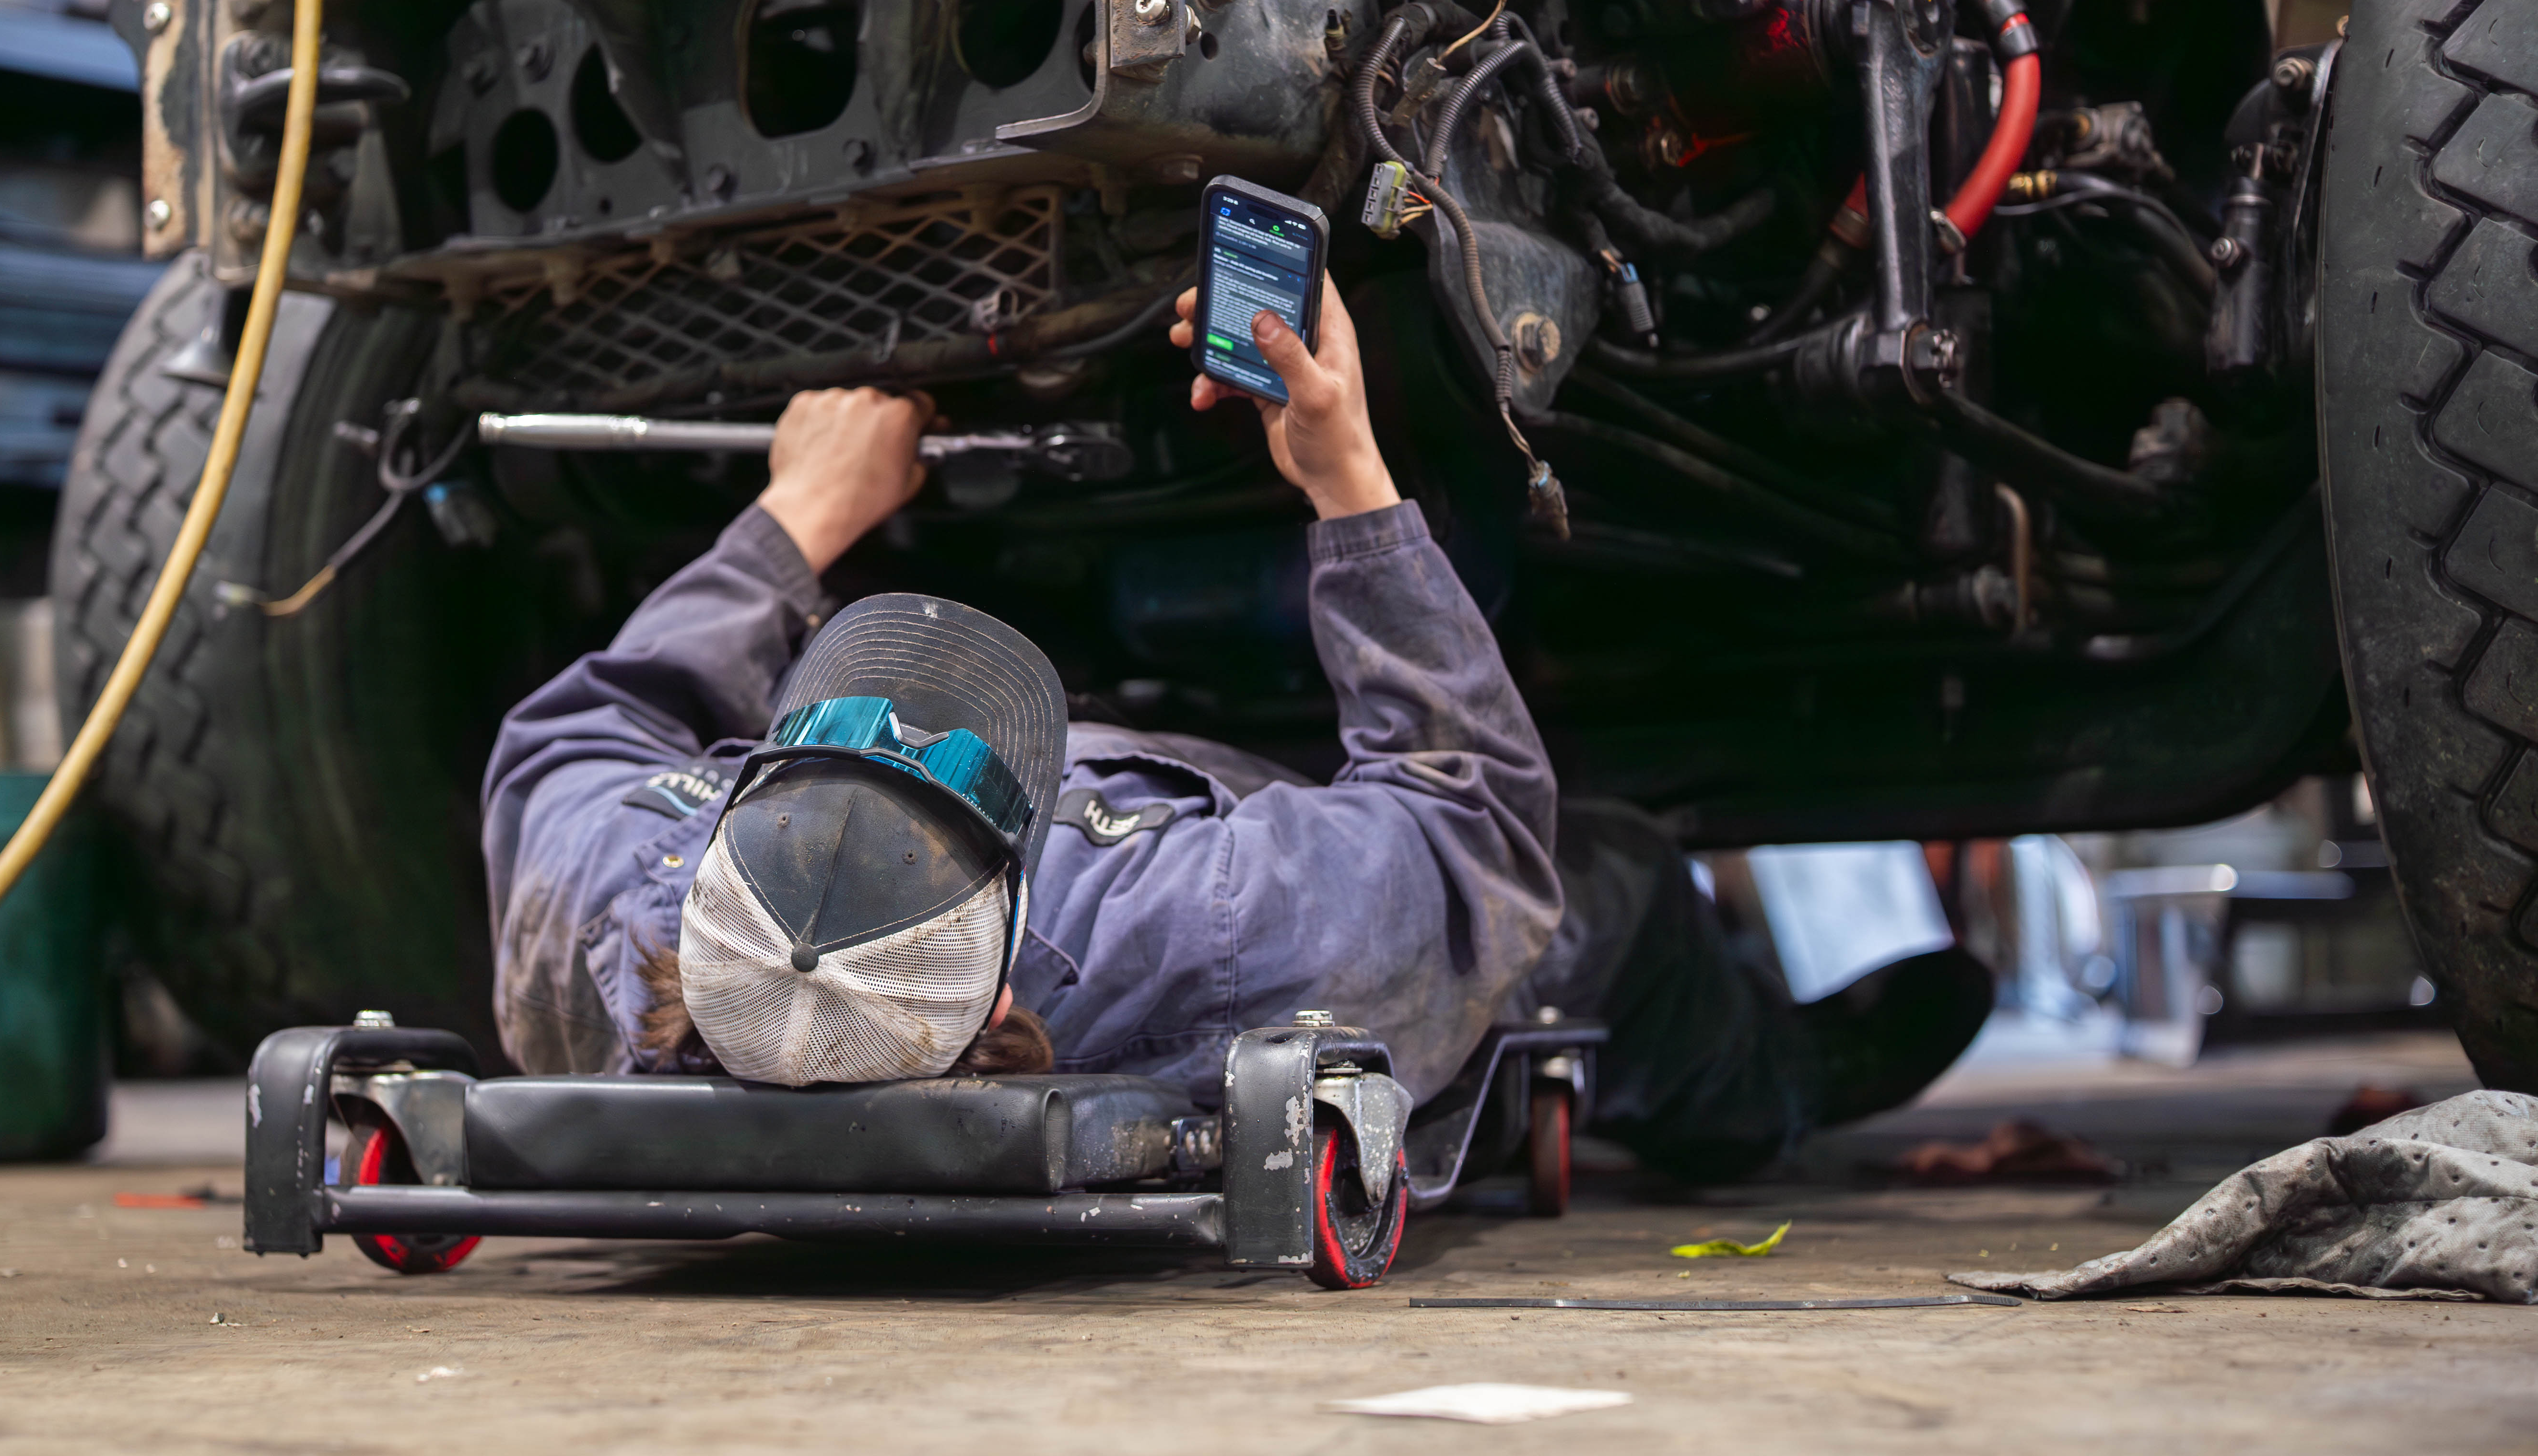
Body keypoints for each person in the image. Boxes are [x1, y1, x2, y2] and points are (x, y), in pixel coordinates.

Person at [482, 282, 1990, 1178]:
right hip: (1371, 897)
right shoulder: (1193, 929)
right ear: (1011, 955)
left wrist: (795, 510)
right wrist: (1342, 462)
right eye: (934, 761)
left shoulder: (608, 915)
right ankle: (1758, 1092)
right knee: (1622, 879)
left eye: (848, 743)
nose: (903, 723)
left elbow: (571, 741)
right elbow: (1479, 829)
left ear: (718, 853)